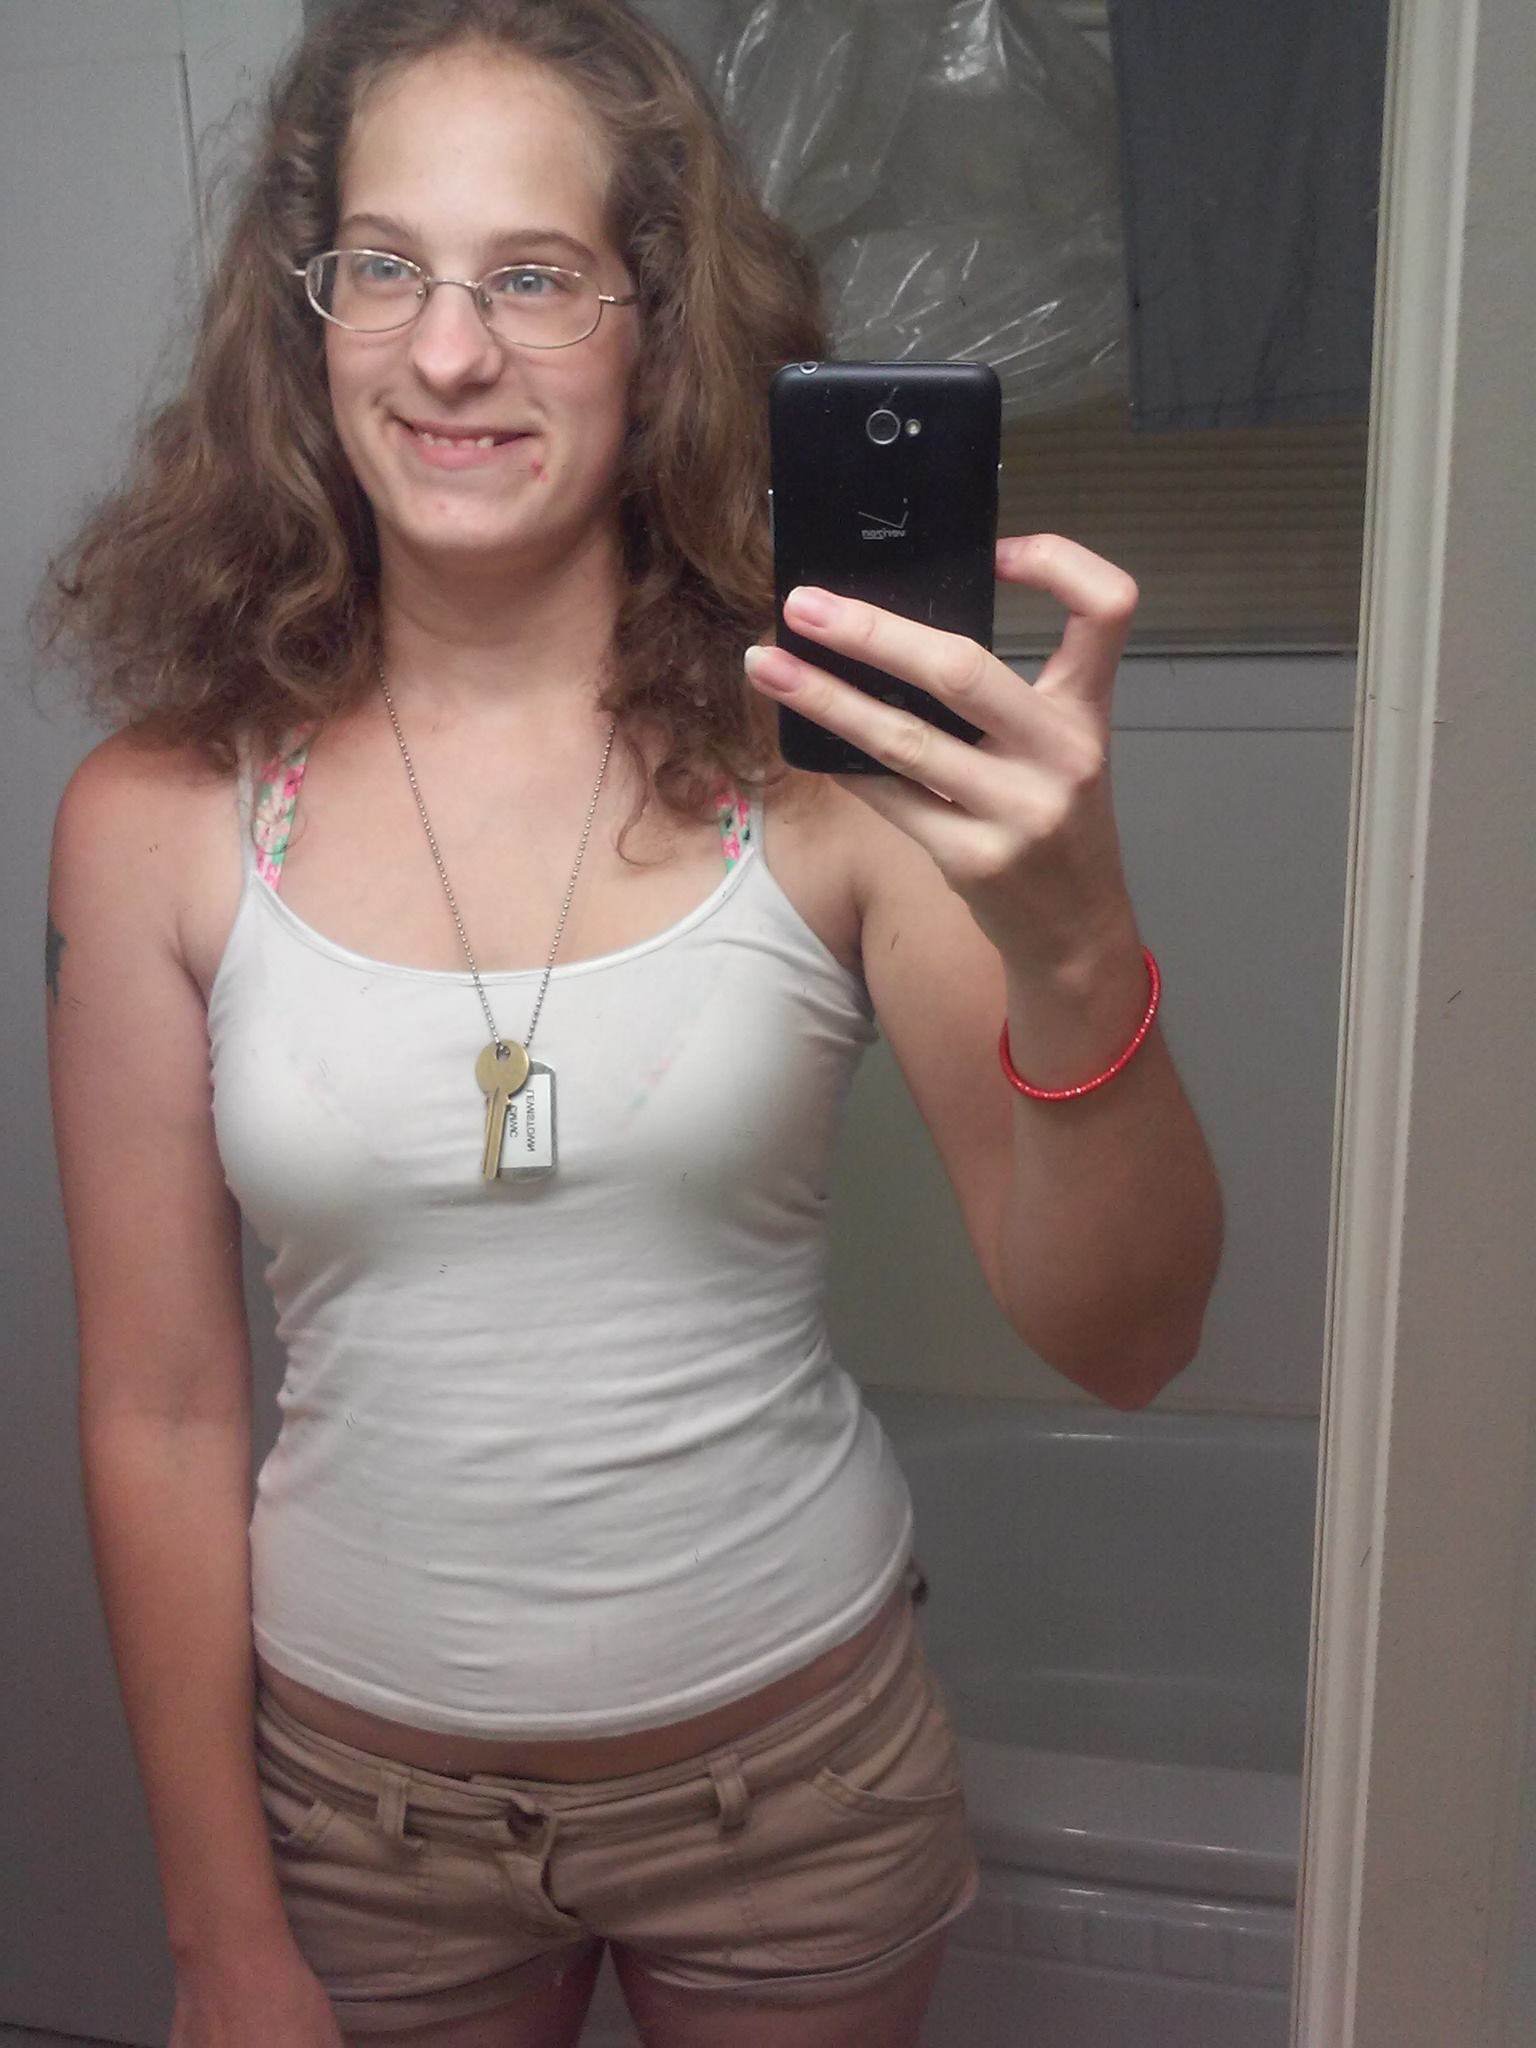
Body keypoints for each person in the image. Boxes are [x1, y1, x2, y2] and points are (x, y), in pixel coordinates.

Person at [37, 2, 1224, 2043]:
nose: (448, 353)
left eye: (533, 277)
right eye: (386, 267)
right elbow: (159, 1405)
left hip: (800, 1787)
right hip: (356, 1821)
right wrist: (216, 1931)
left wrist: (1077, 941)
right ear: (305, 319)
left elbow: (1129, 1341)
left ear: (659, 328)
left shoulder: (836, 775)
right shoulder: (156, 816)